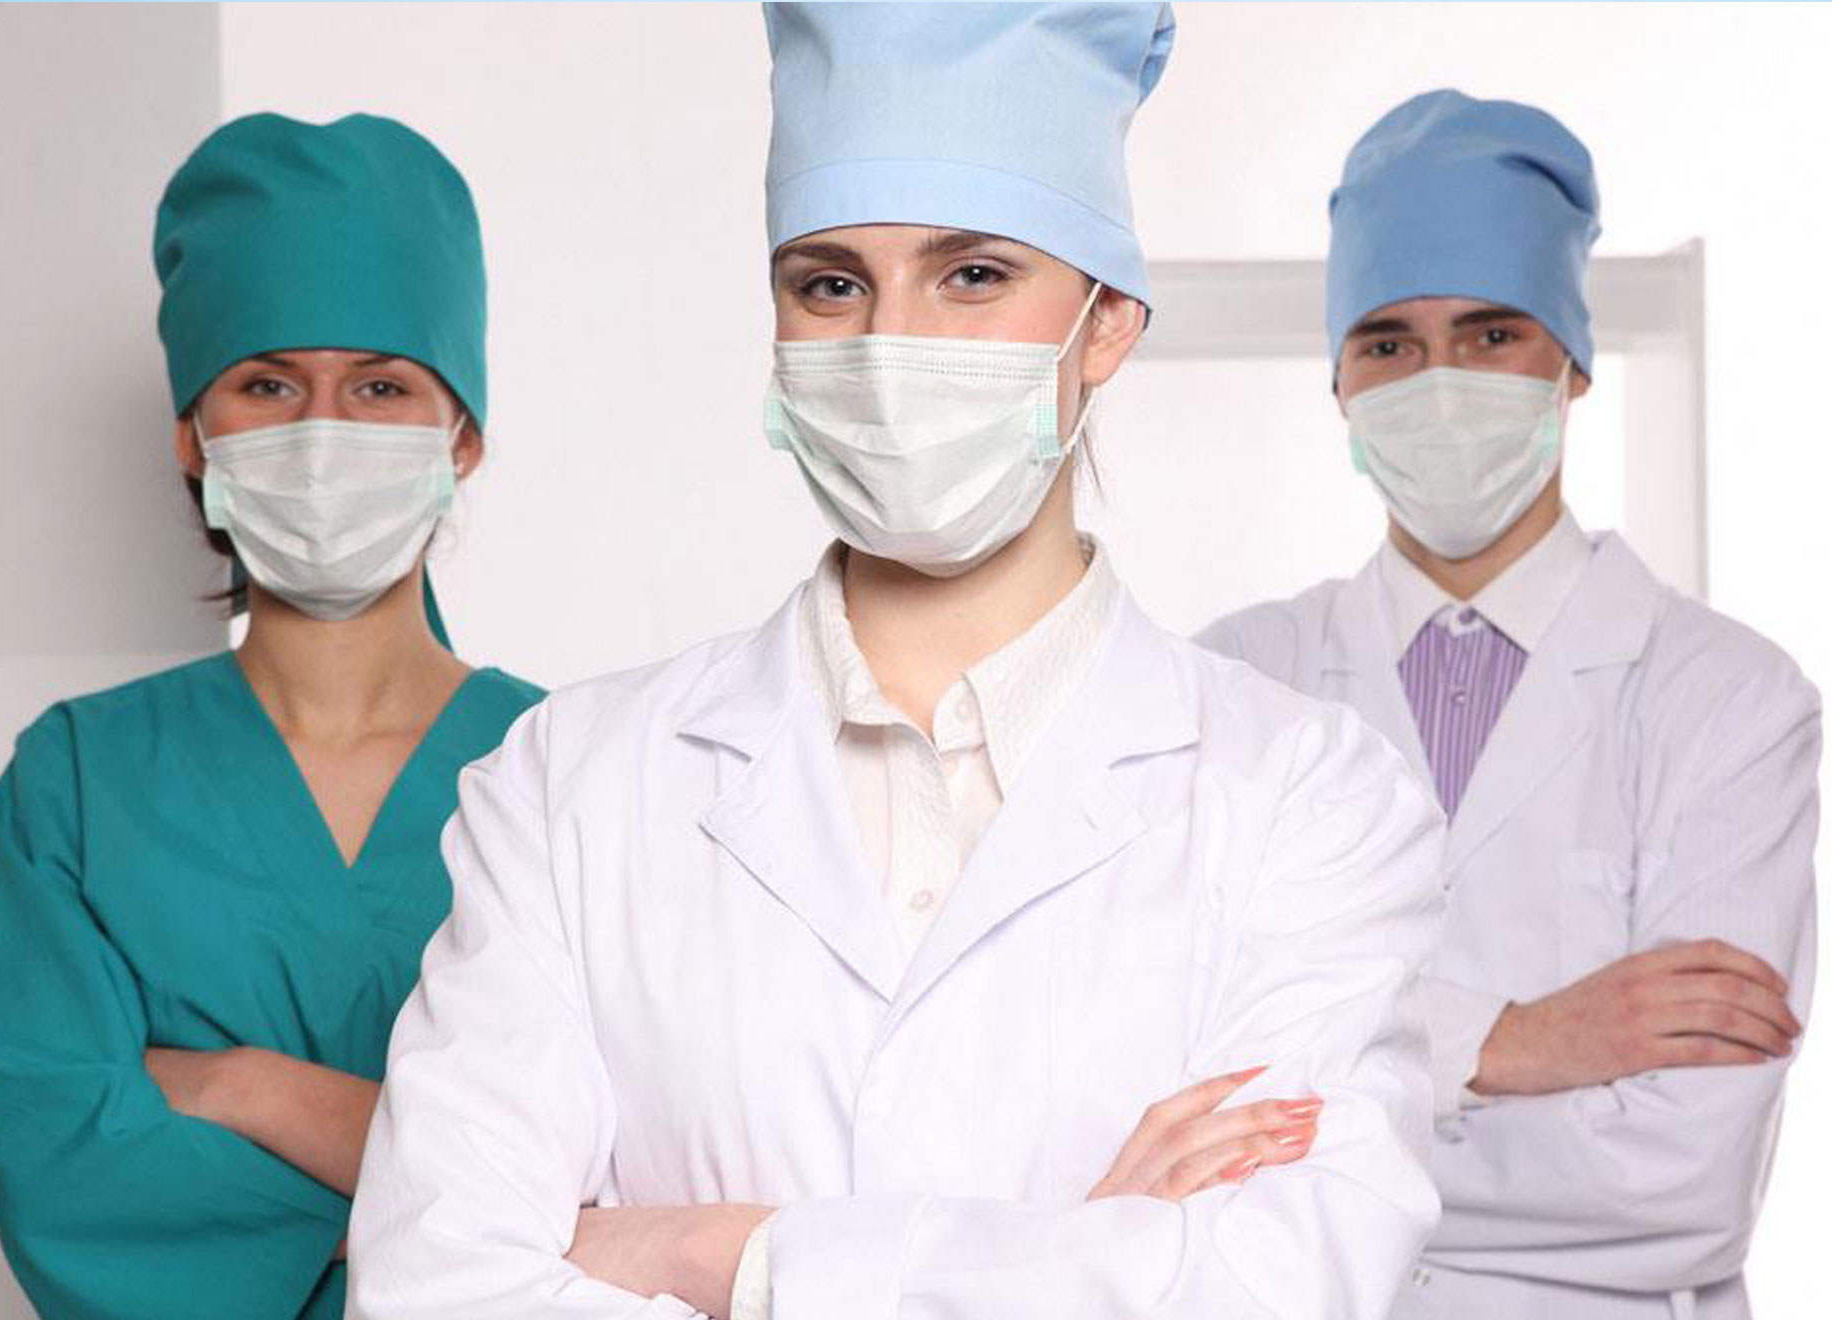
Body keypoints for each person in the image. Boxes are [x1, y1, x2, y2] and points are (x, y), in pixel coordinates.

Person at [349, 7, 1446, 1318]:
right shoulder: (569, 783)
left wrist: (722, 1258)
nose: (888, 345)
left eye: (971, 274)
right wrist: (1081, 1254)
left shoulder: (1308, 800)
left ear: (1104, 324)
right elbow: (432, 1289)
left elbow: (1273, 1292)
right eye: (830, 284)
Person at [1202, 89, 1820, 1320]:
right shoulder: (1235, 681)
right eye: (1387, 343)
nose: (1439, 383)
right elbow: (1150, 1079)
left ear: (1571, 365)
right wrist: (1509, 1041)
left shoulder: (1729, 699)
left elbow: (1683, 1184)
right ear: (1338, 382)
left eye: (1491, 335)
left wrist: (1328, 1122)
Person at [0, 113, 543, 1320]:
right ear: (195, 435)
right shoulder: (76, 784)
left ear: (462, 440)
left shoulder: (568, 769)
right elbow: (67, 1177)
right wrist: (462, 1189)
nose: (321, 431)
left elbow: (619, 1175)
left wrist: (246, 1088)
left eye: (380, 386)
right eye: (268, 384)